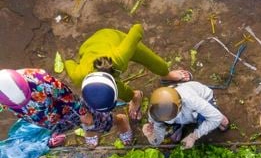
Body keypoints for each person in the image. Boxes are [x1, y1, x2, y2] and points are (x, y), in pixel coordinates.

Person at [64, 23, 192, 121]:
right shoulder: (78, 76)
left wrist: (132, 40)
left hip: (113, 38)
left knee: (151, 60)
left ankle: (166, 74)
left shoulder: (120, 56)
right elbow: (68, 62)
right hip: (89, 47)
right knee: (122, 91)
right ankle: (135, 96)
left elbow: (137, 29)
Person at [0, 67, 94, 147]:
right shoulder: (3, 98)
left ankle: (91, 130)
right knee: (56, 128)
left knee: (83, 120)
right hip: (43, 121)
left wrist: (83, 113)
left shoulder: (40, 79)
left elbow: (66, 95)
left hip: (62, 109)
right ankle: (59, 132)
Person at [142, 82, 228, 149]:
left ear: (180, 106)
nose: (167, 120)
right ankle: (182, 125)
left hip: (202, 101)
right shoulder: (155, 113)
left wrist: (194, 136)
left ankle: (212, 110)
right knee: (174, 137)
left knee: (221, 121)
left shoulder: (191, 100)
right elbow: (157, 140)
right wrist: (151, 136)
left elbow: (217, 118)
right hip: (184, 116)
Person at [79, 72, 133, 148]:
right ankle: (91, 132)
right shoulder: (81, 102)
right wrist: (83, 114)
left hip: (101, 116)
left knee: (109, 119)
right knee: (88, 126)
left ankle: (121, 120)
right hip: (84, 113)